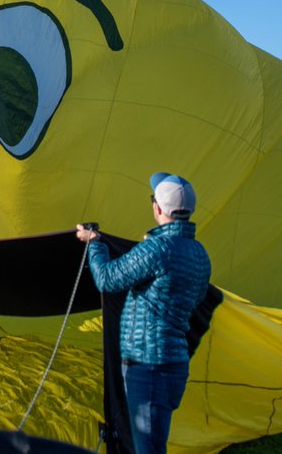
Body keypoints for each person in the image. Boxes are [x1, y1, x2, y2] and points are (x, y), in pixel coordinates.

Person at [76, 173, 211, 454]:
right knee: (151, 440)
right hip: (174, 365)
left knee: (148, 448)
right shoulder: (199, 253)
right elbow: (196, 297)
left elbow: (107, 279)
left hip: (148, 366)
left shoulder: (157, 248)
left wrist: (95, 243)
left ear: (158, 208)